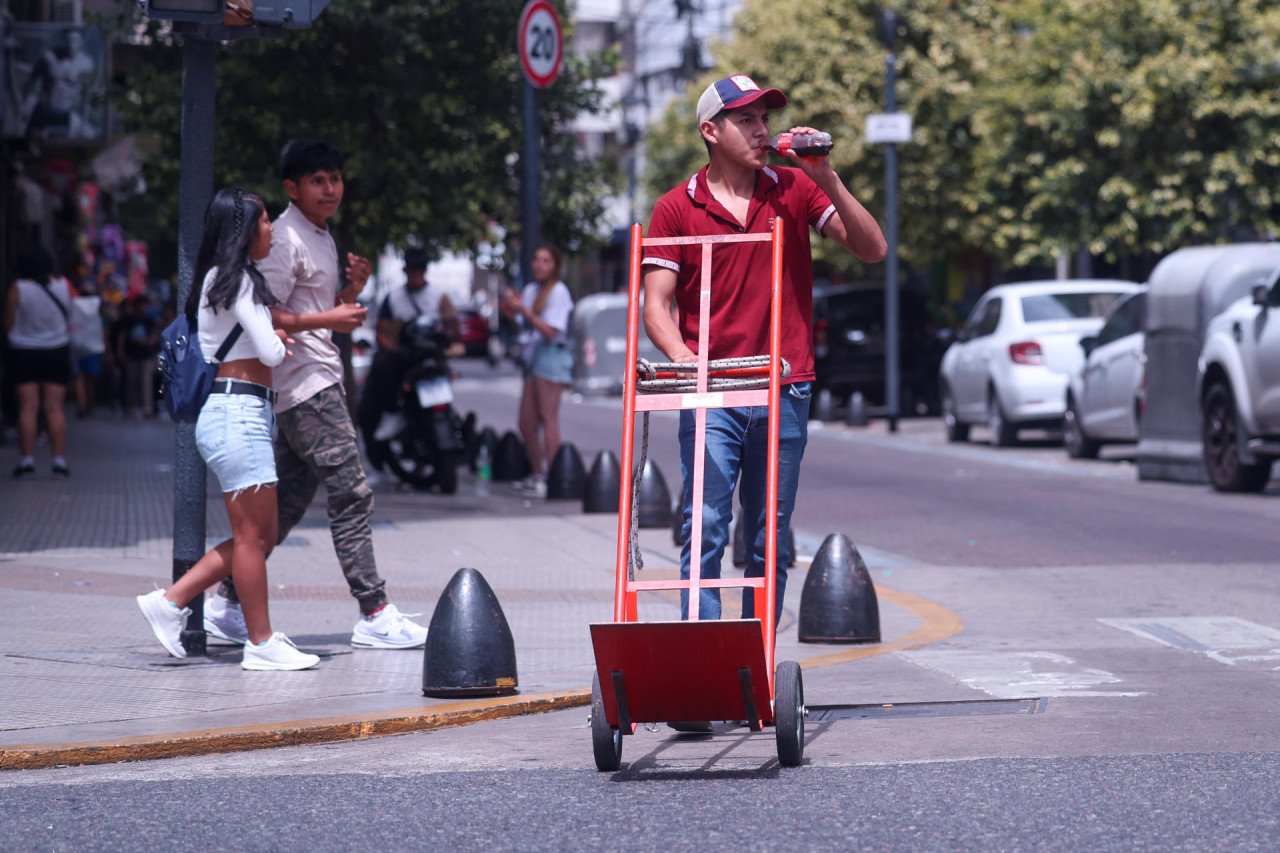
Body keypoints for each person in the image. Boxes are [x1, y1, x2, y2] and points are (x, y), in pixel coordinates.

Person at [642, 74, 887, 629]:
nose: (762, 131)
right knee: (704, 524)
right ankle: (703, 661)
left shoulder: (794, 190)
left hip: (784, 385)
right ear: (710, 130)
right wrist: (686, 363)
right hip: (713, 390)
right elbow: (656, 306)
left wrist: (824, 173)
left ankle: (754, 665)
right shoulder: (677, 208)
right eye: (746, 120)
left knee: (768, 535)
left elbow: (873, 249)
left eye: (765, 118)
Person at [203, 137, 429, 650]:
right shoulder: (285, 238)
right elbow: (264, 311)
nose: (330, 189)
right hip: (306, 388)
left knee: (279, 514)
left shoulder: (318, 234)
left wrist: (349, 293)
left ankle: (225, 605)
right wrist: (331, 315)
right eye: (317, 181)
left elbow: (313, 311)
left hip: (310, 383)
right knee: (352, 492)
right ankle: (374, 610)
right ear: (292, 187)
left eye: (335, 179)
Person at [136, 188, 319, 671]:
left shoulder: (224, 278)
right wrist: (276, 339)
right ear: (242, 231)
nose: (271, 229)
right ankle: (260, 644)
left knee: (258, 534)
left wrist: (269, 337)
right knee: (255, 536)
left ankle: (171, 602)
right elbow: (272, 351)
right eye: (263, 222)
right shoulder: (236, 280)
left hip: (241, 413)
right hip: (237, 415)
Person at [357, 246, 459, 462]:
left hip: (430, 357)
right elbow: (382, 333)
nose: (415, 279)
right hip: (404, 358)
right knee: (380, 371)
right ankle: (392, 411)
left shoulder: (439, 297)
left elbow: (452, 327)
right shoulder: (394, 298)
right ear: (405, 272)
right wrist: (397, 350)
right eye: (412, 274)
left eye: (419, 273)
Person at [500, 245, 574, 498]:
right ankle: (538, 473)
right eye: (537, 259)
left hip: (552, 356)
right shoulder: (532, 290)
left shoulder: (559, 292)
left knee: (548, 417)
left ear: (555, 265)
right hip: (534, 356)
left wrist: (525, 312)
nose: (540, 265)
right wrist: (511, 312)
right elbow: (524, 328)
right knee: (526, 422)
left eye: (546, 260)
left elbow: (551, 331)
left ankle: (552, 476)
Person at [4, 247, 72, 477]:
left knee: (28, 407)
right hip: (57, 350)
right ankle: (59, 460)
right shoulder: (64, 285)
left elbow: (8, 322)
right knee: (54, 408)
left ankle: (27, 460)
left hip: (25, 352)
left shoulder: (18, 288)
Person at [22, 28, 97, 139]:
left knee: (60, 146)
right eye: (68, 40)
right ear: (63, 41)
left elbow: (87, 95)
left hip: (64, 113)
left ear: (81, 42)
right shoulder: (49, 57)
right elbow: (31, 81)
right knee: (30, 145)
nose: (71, 45)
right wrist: (23, 105)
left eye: (75, 41)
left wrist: (84, 120)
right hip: (43, 111)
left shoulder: (86, 64)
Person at [111, 295, 160, 418]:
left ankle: (147, 408)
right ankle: (130, 407)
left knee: (146, 382)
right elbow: (121, 337)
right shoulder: (129, 320)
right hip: (132, 355)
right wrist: (120, 351)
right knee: (130, 381)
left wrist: (145, 342)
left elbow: (154, 337)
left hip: (147, 355)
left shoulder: (150, 320)